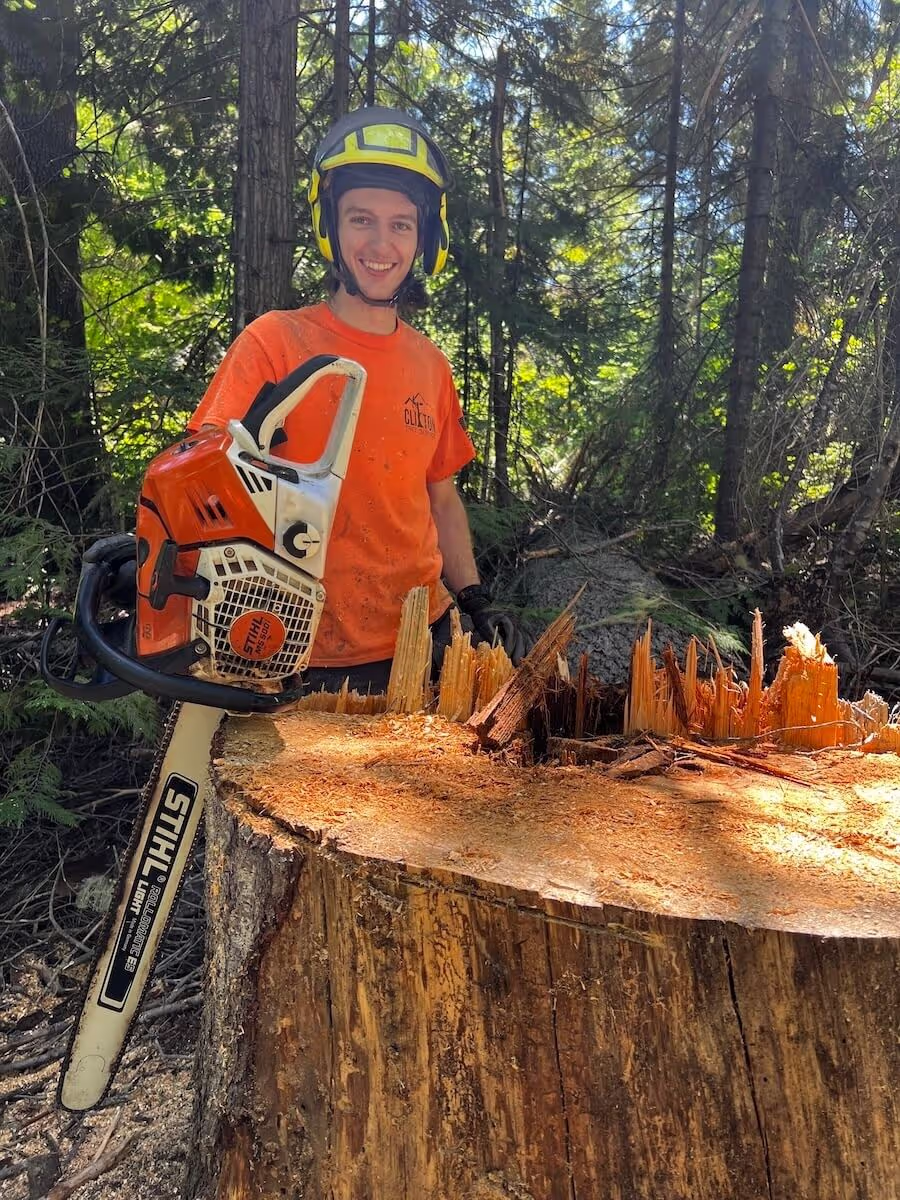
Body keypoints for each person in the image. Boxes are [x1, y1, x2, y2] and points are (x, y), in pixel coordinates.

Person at [189, 106, 527, 691]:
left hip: (422, 644)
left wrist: (473, 599)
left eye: (401, 224)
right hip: (295, 649)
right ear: (331, 227)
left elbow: (440, 499)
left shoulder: (430, 364)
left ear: (425, 237)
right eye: (361, 219)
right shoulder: (275, 343)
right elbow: (203, 475)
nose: (381, 243)